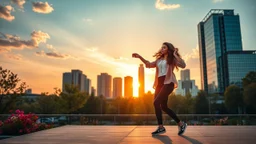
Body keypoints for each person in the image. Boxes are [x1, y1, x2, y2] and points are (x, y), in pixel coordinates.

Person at [132, 42, 187, 136]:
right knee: (163, 107)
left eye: (164, 47)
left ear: (168, 49)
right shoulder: (159, 60)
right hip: (159, 84)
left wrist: (175, 55)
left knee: (155, 102)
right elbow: (148, 64)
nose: (162, 49)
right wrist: (139, 57)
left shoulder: (172, 59)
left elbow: (183, 65)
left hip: (168, 83)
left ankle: (161, 127)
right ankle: (181, 124)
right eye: (161, 47)